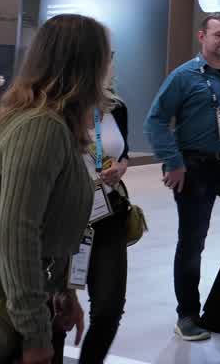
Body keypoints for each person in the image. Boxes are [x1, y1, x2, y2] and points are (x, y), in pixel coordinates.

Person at [0, 14, 110, 364]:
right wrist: (34, 331)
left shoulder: (53, 124)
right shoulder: (40, 128)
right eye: (106, 57)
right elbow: (17, 234)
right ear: (87, 64)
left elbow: (43, 227)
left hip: (14, 296)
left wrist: (63, 291)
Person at [144, 12, 220, 342]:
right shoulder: (184, 77)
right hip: (195, 168)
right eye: (218, 34)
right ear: (202, 37)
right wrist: (173, 162)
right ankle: (187, 315)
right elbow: (156, 122)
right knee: (193, 243)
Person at [78, 95, 131, 363]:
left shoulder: (116, 106)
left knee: (108, 308)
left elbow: (124, 153)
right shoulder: (53, 107)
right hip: (65, 216)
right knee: (53, 311)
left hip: (108, 210)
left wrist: (120, 168)